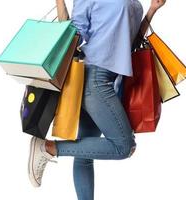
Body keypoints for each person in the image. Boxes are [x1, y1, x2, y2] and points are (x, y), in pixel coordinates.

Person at [28, 0, 166, 199]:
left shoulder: (134, 4)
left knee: (84, 156)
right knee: (124, 146)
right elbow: (73, 34)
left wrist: (152, 9)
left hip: (111, 81)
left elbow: (132, 43)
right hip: (95, 78)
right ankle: (47, 148)